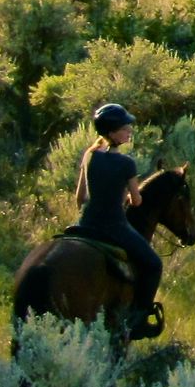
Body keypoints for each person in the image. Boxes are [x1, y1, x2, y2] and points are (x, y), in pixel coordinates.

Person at [74, 103, 164, 340]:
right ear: (113, 133)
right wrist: (125, 195)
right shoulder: (127, 164)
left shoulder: (89, 155)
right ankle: (140, 318)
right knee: (154, 264)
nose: (129, 132)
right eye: (125, 128)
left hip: (85, 224)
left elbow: (80, 197)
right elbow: (136, 201)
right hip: (114, 226)